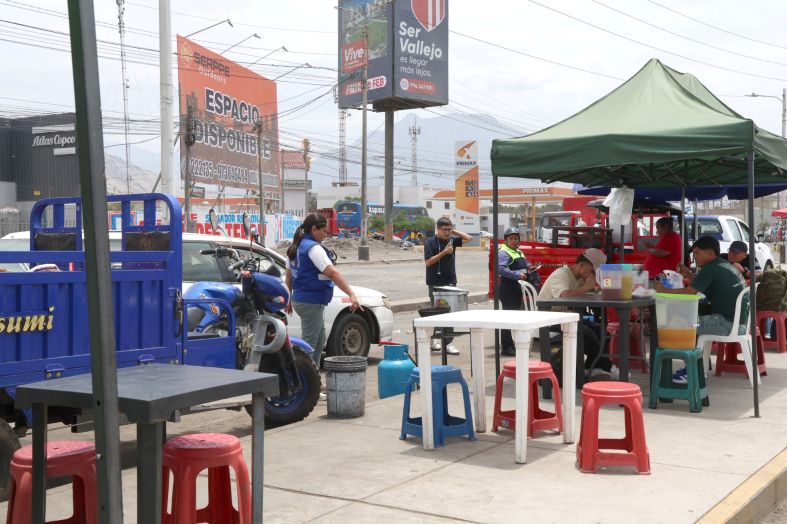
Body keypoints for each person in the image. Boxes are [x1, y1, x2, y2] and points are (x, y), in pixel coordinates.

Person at [655, 236, 747, 383]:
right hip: (738, 323)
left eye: (697, 253)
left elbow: (690, 292)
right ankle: (695, 367)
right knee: (691, 319)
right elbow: (700, 286)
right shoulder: (722, 265)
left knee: (686, 324)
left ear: (710, 253)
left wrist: (663, 290)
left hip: (726, 324)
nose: (694, 257)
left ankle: (691, 371)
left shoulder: (710, 268)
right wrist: (688, 274)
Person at [285, 213, 361, 373]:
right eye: (324, 231)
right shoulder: (313, 249)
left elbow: (289, 276)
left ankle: (314, 378)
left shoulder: (296, 247)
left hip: (305, 300)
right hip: (310, 301)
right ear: (314, 229)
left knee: (319, 341)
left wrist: (289, 299)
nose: (326, 235)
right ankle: (303, 381)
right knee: (309, 344)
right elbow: (333, 273)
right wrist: (351, 294)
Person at [537, 248, 618, 380]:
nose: (593, 275)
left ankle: (594, 367)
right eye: (592, 271)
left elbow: (581, 293)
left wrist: (591, 289)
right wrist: (586, 287)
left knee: (601, 330)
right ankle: (604, 367)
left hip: (566, 316)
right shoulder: (561, 274)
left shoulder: (579, 278)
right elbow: (564, 295)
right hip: (549, 317)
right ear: (582, 265)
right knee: (586, 333)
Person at [424, 217, 472, 355]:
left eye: (448, 229)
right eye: (444, 230)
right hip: (435, 282)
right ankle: (435, 341)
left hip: (450, 281)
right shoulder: (430, 242)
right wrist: (444, 252)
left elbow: (469, 238)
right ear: (437, 229)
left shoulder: (452, 241)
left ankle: (448, 343)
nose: (446, 232)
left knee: (451, 313)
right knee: (437, 312)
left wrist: (454, 231)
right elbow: (428, 262)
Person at [497, 226, 541, 356]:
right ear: (506, 240)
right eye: (511, 238)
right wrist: (518, 276)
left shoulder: (518, 251)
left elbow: (524, 263)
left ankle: (512, 344)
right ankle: (506, 347)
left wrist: (530, 267)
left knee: (514, 317)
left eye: (516, 238)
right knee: (509, 318)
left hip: (516, 288)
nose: (514, 241)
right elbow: (500, 269)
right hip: (508, 288)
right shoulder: (504, 252)